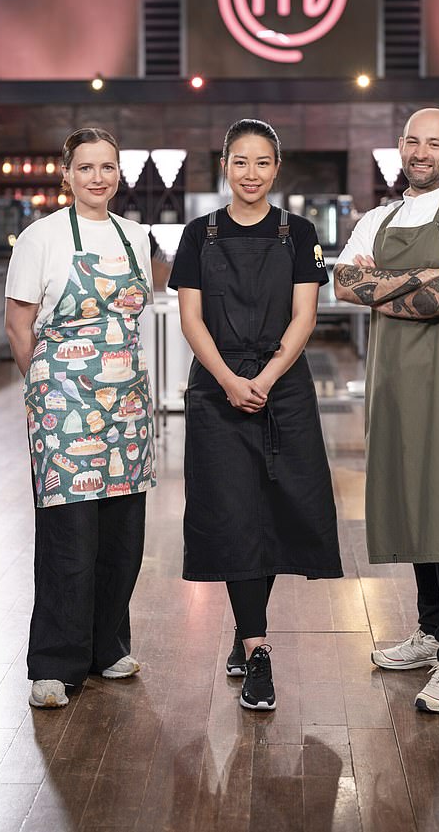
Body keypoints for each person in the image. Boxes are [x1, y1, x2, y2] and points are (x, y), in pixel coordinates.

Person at [334, 108, 439, 713]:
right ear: (399, 147)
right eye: (412, 140)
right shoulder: (377, 218)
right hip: (396, 386)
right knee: (411, 499)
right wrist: (421, 280)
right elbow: (344, 285)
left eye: (435, 143)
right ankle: (432, 632)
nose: (421, 151)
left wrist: (388, 286)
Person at [169, 118, 342, 711]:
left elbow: (304, 316)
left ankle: (247, 633)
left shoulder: (300, 233)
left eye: (262, 162)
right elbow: (192, 321)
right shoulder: (199, 235)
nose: (251, 173)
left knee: (273, 509)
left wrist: (264, 379)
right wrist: (228, 380)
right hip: (217, 389)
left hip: (283, 387)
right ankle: (259, 648)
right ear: (225, 166)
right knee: (234, 512)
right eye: (240, 162)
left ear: (277, 167)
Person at [5, 127, 156, 709]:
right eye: (86, 167)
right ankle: (55, 662)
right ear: (65, 174)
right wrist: (48, 386)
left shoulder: (137, 237)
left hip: (127, 407)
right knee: (68, 538)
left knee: (123, 535)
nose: (99, 177)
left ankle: (107, 647)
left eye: (109, 167)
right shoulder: (41, 238)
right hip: (64, 403)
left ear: (120, 174)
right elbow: (22, 326)